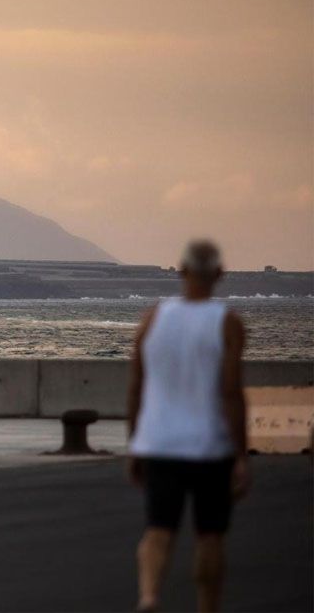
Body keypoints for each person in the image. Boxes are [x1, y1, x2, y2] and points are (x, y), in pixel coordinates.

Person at [127, 239, 250, 613]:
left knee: (158, 529)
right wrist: (241, 453)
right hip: (209, 445)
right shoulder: (227, 323)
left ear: (180, 270)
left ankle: (149, 596)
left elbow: (137, 385)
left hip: (160, 443)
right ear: (219, 274)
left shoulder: (153, 319)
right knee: (210, 535)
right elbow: (231, 391)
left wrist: (135, 441)